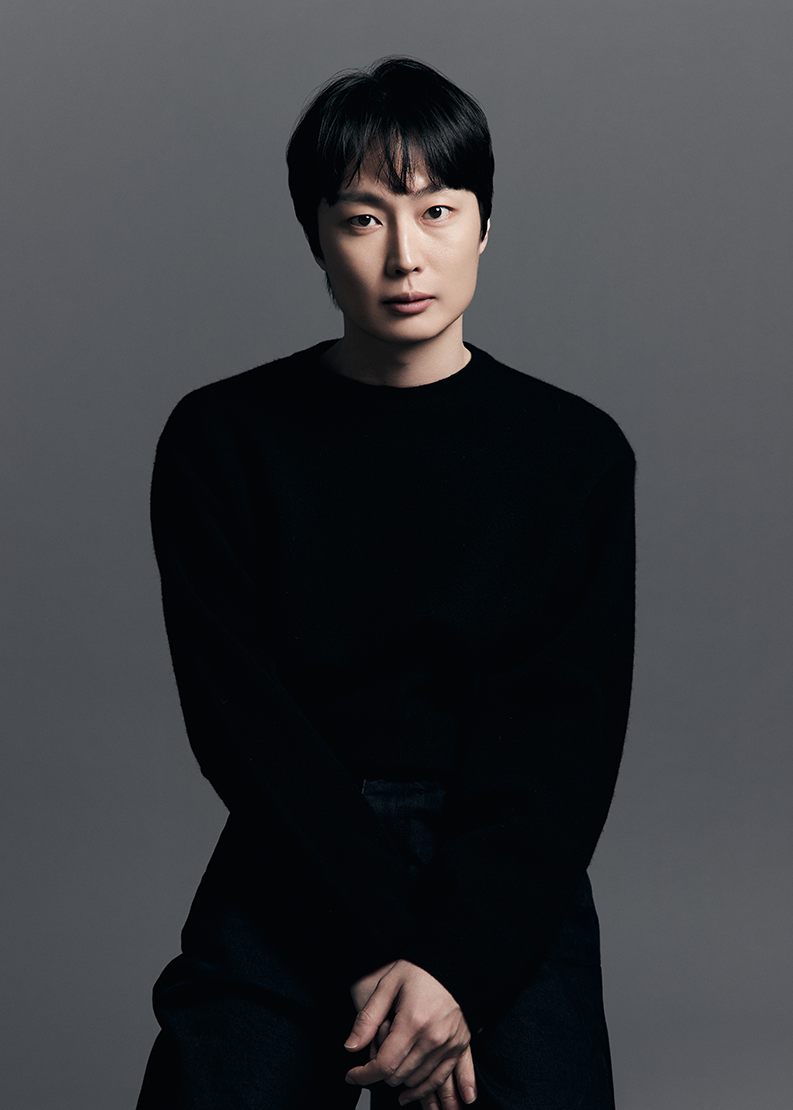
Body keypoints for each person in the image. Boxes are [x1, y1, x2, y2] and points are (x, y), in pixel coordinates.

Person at [136, 57, 635, 1110]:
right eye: (363, 220)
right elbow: (241, 723)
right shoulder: (222, 440)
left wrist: (453, 972)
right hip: (294, 845)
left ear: (484, 226)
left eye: (437, 211)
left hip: (498, 865)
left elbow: (561, 744)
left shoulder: (573, 455)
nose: (406, 256)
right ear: (316, 238)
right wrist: (375, 954)